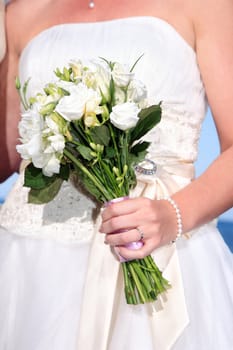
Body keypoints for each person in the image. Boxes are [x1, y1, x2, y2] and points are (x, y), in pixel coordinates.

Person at [0, 0, 232, 349]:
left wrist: (172, 215)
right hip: (34, 268)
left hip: (157, 252)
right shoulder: (21, 12)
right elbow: (9, 152)